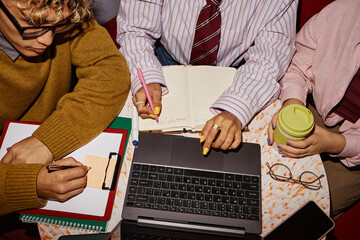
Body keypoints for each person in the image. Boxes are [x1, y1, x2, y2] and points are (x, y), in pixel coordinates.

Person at [0, 0, 130, 215]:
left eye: (60, 25)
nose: (47, 40)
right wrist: (28, 184)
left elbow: (110, 70)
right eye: (31, 24)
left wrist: (48, 141)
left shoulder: (61, 8)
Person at [117, 0, 298, 155]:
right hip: (162, 58)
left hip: (238, 74)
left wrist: (236, 108)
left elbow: (270, 55)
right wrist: (147, 75)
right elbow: (135, 29)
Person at [267, 0, 360, 220]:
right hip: (309, 106)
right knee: (256, 173)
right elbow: (297, 65)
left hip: (354, 153)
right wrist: (292, 103)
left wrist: (337, 144)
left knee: (295, 212)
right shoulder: (346, 9)